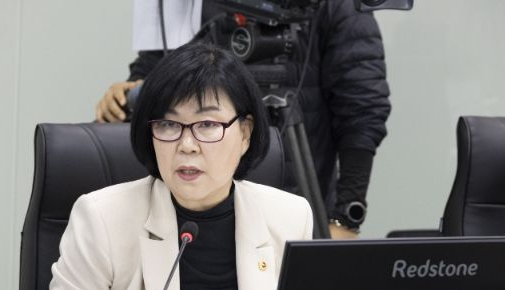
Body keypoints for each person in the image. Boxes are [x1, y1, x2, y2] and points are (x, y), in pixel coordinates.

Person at [35, 43, 313, 290]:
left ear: (244, 133)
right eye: (168, 124)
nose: (187, 145)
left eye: (207, 124)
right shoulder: (103, 218)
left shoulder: (290, 217)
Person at [96, 0, 391, 238]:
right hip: (194, 209)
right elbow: (157, 67)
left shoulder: (331, 7)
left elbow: (362, 111)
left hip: (297, 199)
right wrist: (132, 90)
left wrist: (345, 217)